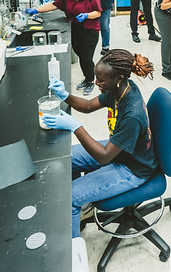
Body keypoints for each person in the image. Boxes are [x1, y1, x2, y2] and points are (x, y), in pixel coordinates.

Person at [43, 50, 157, 239]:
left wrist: (75, 126)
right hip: (121, 150)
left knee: (69, 197)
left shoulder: (132, 114)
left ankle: (73, 253)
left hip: (133, 169)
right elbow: (88, 106)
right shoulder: (118, 90)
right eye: (96, 78)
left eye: (101, 80)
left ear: (118, 78)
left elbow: (104, 156)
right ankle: (78, 210)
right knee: (67, 158)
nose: (97, 83)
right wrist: (65, 95)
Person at [25, 0, 101, 94]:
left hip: (89, 30)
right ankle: (87, 78)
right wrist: (36, 10)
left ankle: (91, 81)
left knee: (86, 57)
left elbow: (97, 12)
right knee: (80, 54)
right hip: (75, 29)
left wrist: (86, 15)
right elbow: (55, 5)